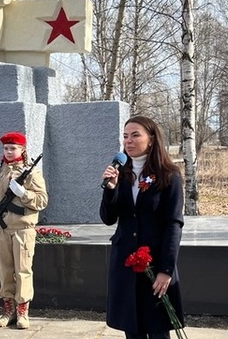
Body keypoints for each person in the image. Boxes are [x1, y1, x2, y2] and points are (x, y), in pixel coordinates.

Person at [100, 115, 185, 339]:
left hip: (155, 263)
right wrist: (110, 189)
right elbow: (108, 218)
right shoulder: (122, 174)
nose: (129, 141)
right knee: (133, 328)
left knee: (158, 328)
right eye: (125, 136)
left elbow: (173, 224)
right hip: (126, 264)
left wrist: (165, 270)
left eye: (135, 135)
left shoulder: (169, 175)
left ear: (151, 139)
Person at [0, 131, 48, 330]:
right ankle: (8, 310)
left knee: (23, 270)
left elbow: (42, 201)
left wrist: (24, 194)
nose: (9, 151)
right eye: (6, 148)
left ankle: (23, 311)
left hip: (23, 229)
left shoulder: (31, 173)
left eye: (13, 148)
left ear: (22, 149)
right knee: (4, 270)